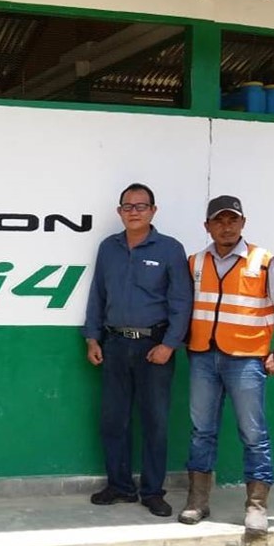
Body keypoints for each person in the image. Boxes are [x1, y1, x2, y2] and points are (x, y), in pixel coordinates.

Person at [178, 195, 274, 535]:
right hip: (203, 357)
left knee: (254, 434)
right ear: (207, 226)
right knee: (201, 431)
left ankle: (257, 506)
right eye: (219, 220)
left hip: (246, 360)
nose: (226, 227)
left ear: (243, 223)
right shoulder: (195, 262)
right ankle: (197, 501)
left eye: (233, 220)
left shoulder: (262, 261)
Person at [82, 183, 193, 517]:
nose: (134, 212)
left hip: (153, 348)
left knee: (155, 423)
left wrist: (169, 345)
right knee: (113, 420)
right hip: (114, 345)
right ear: (120, 212)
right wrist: (92, 338)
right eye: (128, 207)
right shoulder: (108, 248)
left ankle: (152, 492)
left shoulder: (170, 249)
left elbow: (182, 302)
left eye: (141, 206)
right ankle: (120, 487)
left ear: (153, 211)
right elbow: (98, 294)